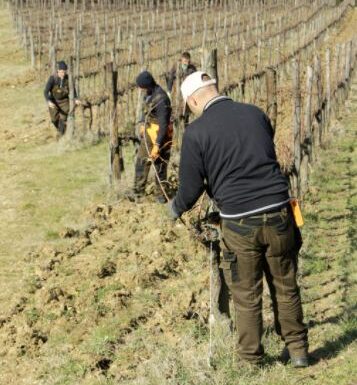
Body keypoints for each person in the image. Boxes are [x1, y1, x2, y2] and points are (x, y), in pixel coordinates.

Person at [168, 71, 309, 368]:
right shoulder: (255, 114)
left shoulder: (196, 133)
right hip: (280, 210)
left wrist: (175, 208)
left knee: (246, 293)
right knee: (285, 284)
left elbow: (191, 188)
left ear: (193, 100)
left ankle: (250, 359)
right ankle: (298, 350)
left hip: (240, 221)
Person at [134, 71, 172, 204]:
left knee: (159, 165)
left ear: (147, 85)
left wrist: (157, 145)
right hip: (149, 133)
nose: (140, 89)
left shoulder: (162, 100)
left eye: (141, 86)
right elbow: (147, 111)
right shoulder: (149, 94)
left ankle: (160, 195)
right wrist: (142, 123)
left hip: (161, 136)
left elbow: (163, 125)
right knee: (141, 161)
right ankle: (138, 192)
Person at [44, 61, 80, 137]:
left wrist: (76, 98)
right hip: (54, 101)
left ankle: (62, 134)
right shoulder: (52, 79)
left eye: (64, 72)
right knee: (54, 120)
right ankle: (61, 130)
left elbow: (73, 90)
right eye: (61, 72)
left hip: (64, 101)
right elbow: (46, 91)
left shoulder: (68, 79)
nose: (62, 74)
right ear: (58, 71)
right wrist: (48, 101)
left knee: (64, 119)